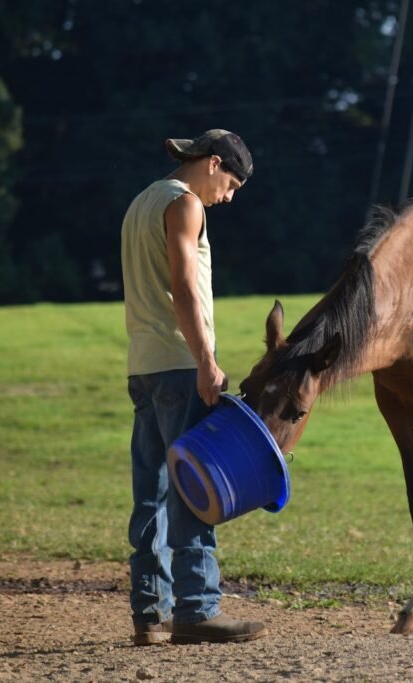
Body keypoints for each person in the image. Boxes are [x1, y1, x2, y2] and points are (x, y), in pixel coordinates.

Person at [121, 129, 265, 645]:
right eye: (231, 185)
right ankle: (197, 608)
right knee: (192, 489)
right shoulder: (185, 205)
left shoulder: (142, 201)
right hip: (182, 365)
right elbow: (183, 287)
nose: (228, 197)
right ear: (213, 163)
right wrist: (206, 361)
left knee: (152, 494)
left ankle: (149, 613)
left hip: (143, 366)